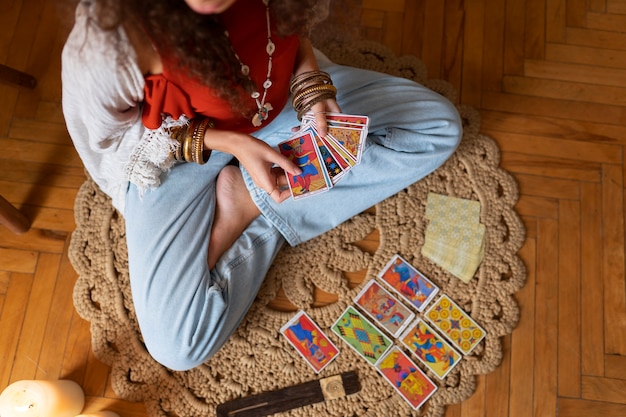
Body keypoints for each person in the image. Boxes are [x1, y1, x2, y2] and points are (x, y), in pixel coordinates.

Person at [61, 0, 462, 371]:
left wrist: (309, 83)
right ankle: (262, 196)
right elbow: (114, 141)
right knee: (178, 345)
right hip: (173, 150)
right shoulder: (107, 42)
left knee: (437, 127)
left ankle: (250, 199)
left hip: (279, 102)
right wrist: (232, 142)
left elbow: (291, 24)